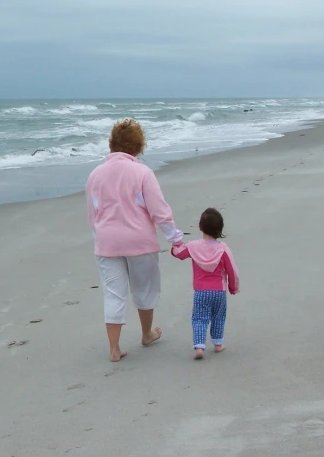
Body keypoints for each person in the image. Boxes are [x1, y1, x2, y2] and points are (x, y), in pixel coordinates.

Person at [86, 119, 183, 362]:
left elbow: (93, 214)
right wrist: (175, 238)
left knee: (113, 294)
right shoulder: (142, 172)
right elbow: (159, 210)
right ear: (138, 146)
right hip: (139, 241)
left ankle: (114, 348)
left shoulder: (95, 175)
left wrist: (98, 238)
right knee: (145, 288)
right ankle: (147, 334)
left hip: (107, 243)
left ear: (112, 144)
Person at [171, 208, 240, 360]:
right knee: (218, 317)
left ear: (200, 227)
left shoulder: (193, 246)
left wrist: (175, 245)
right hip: (219, 292)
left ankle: (199, 347)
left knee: (199, 318)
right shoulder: (224, 250)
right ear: (220, 229)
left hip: (201, 292)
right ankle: (218, 344)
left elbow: (179, 254)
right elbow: (232, 270)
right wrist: (233, 287)